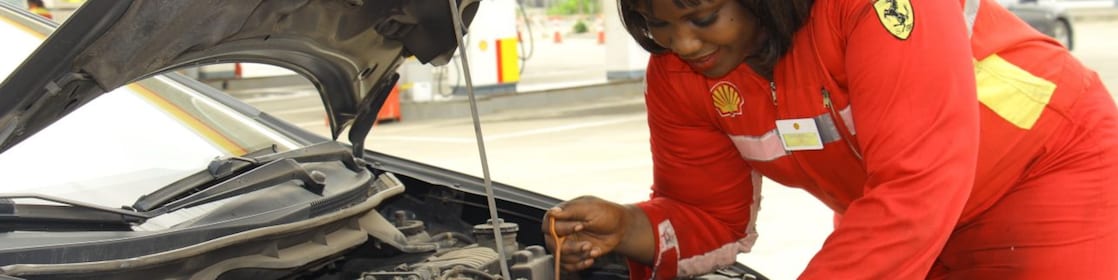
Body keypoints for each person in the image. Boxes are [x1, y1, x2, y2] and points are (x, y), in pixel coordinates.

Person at [543, 0, 1118, 278]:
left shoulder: (871, 8)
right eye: (657, 25)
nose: (683, 44)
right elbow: (709, 216)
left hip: (1047, 170)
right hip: (892, 212)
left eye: (702, 16)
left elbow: (914, 190)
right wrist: (630, 226)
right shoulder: (678, 74)